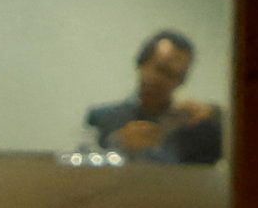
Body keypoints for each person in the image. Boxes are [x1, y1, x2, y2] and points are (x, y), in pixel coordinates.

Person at [86, 29, 224, 164]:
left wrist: (216, 115)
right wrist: (117, 146)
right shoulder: (101, 119)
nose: (167, 81)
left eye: (177, 76)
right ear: (141, 64)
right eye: (161, 70)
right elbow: (80, 171)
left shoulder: (193, 128)